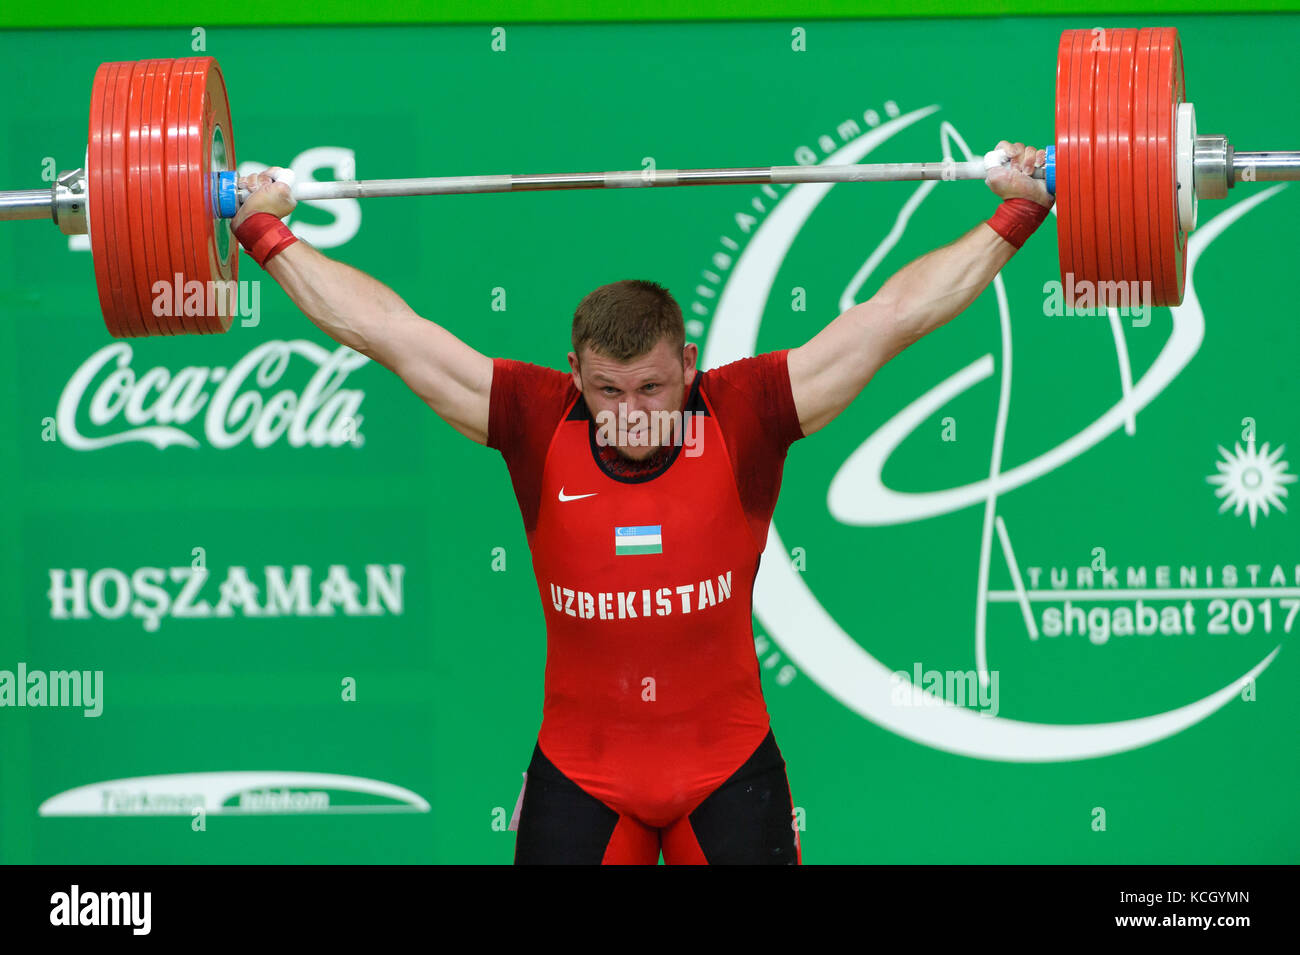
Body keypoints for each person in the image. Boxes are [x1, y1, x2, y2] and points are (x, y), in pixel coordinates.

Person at [231, 141, 1053, 864]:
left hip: (729, 776)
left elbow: (894, 316)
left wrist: (1020, 210)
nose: (628, 413)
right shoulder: (534, 417)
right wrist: (262, 230)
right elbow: (389, 331)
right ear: (574, 373)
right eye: (606, 391)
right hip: (582, 783)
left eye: (652, 387)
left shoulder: (747, 411)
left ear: (689, 363)